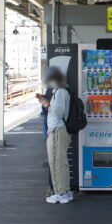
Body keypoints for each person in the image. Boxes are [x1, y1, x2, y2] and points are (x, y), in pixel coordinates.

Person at [37, 67, 73, 204]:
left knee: (56, 163)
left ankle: (60, 193)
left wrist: (46, 104)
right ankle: (66, 191)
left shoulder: (60, 92)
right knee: (62, 163)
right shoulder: (63, 90)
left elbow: (57, 112)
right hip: (60, 130)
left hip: (57, 130)